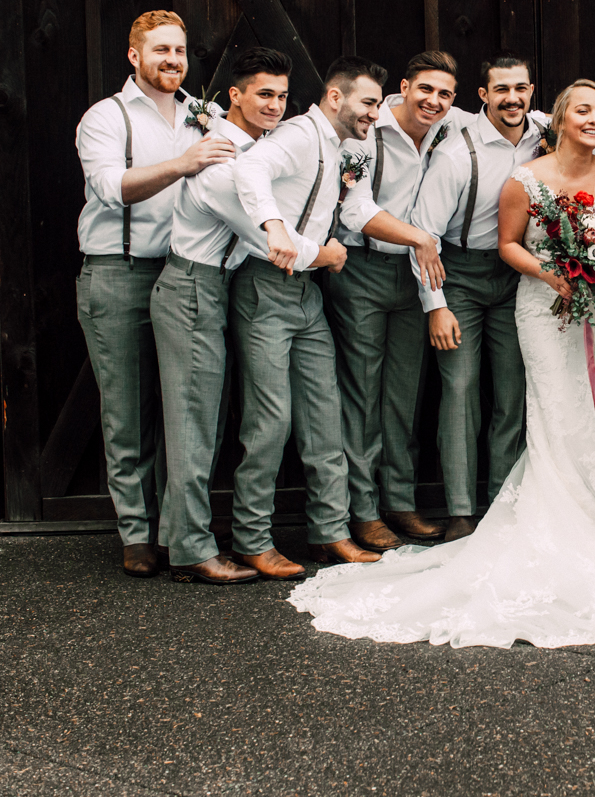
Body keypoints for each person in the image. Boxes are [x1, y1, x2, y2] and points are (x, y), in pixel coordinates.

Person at [288, 80, 595, 647]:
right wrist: (550, 273)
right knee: (550, 407)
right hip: (541, 301)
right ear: (559, 118)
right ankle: (537, 516)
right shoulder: (524, 176)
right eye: (583, 110)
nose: (594, 118)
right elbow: (510, 243)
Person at [153, 48, 341, 585]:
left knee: (206, 422)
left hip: (218, 288)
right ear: (234, 95)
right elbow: (267, 241)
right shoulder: (220, 163)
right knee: (193, 425)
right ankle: (190, 551)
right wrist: (327, 254)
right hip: (194, 286)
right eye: (264, 94)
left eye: (282, 96)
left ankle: (180, 539)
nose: (275, 106)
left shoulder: (254, 152)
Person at [75, 10, 234, 577]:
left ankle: (178, 532)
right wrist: (183, 164)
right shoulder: (107, 117)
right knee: (128, 413)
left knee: (188, 412)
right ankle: (137, 534)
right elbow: (108, 188)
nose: (172, 60)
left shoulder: (206, 115)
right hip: (120, 272)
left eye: (180, 50)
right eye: (161, 49)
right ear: (134, 55)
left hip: (188, 275)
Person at [227, 51, 382, 579]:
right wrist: (273, 226)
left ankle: (330, 533)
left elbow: (352, 208)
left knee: (323, 414)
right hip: (265, 288)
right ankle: (251, 540)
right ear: (335, 97)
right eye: (367, 103)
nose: (374, 114)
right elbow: (250, 167)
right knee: (270, 422)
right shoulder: (298, 134)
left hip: (307, 293)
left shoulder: (343, 148)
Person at [409, 56, 546, 541]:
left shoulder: (542, 134)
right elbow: (424, 235)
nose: (513, 98)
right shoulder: (456, 153)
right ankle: (462, 511)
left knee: (512, 391)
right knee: (461, 389)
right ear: (483, 96)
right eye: (501, 89)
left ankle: (503, 505)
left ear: (531, 91)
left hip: (515, 277)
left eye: (521, 88)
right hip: (459, 274)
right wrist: (436, 305)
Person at [327, 52, 453, 553]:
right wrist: (419, 237)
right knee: (362, 393)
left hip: (413, 277)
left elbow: (518, 115)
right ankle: (362, 510)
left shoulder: (448, 127)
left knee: (404, 394)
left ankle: (399, 500)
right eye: (425, 89)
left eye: (445, 93)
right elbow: (355, 209)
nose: (434, 101)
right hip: (362, 269)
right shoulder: (369, 133)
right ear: (404, 86)